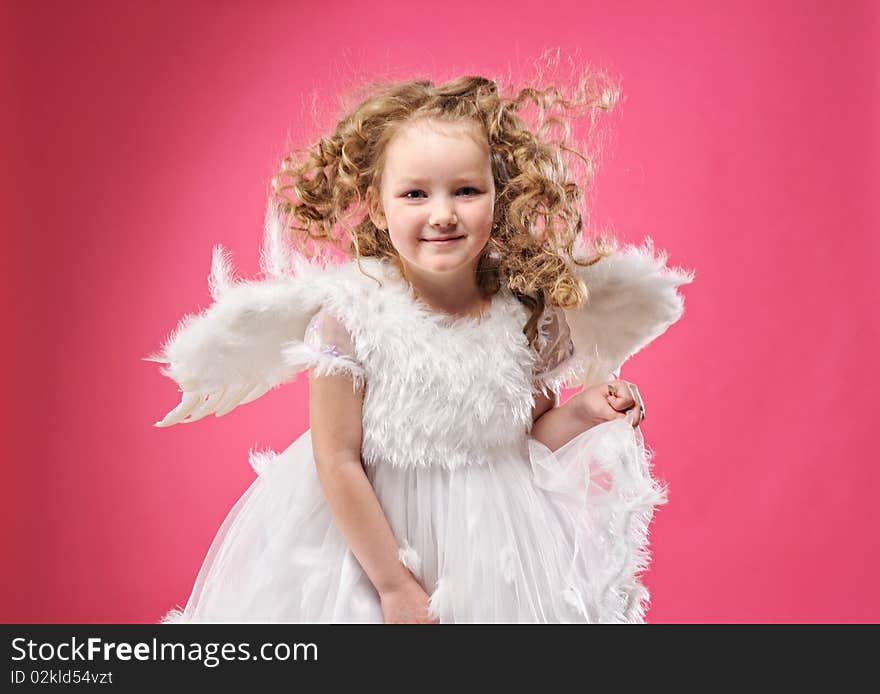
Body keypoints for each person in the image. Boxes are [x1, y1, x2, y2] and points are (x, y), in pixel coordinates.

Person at [148, 73, 694, 623]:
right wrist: (392, 585)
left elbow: (522, 443)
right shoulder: (352, 317)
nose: (442, 214)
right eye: (414, 194)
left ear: (498, 198)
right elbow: (335, 457)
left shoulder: (524, 314)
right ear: (379, 208)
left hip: (492, 549)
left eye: (466, 190)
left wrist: (584, 411)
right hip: (371, 549)